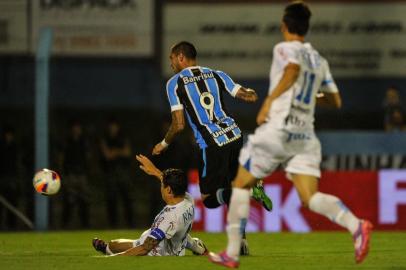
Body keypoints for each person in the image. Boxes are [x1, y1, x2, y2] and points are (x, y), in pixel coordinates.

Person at [209, 2, 372, 268]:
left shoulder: (283, 48)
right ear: (306, 28)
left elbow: (292, 70)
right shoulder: (319, 60)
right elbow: (335, 100)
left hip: (278, 130)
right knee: (310, 198)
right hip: (305, 136)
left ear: (284, 26)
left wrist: (269, 101)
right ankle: (356, 225)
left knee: (240, 184)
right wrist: (306, 100)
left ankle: (232, 252)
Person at [152, 41, 273, 254]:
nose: (171, 63)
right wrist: (253, 93)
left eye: (171, 58)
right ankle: (241, 243)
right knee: (234, 191)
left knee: (210, 199)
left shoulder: (174, 83)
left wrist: (163, 144)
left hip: (212, 143)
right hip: (235, 136)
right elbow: (246, 94)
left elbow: (178, 124)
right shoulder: (217, 74)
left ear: (181, 57)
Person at [92, 154, 207, 256]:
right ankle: (197, 245)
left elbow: (144, 249)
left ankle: (106, 250)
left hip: (158, 251)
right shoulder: (188, 200)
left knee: (122, 249)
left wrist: (111, 259)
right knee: (112, 245)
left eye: (163, 186)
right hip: (173, 238)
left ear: (169, 190)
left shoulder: (169, 217)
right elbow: (172, 184)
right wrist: (155, 171)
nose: (160, 188)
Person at [100, 117, 134, 227]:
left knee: (127, 199)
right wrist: (119, 152)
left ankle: (130, 224)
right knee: (111, 200)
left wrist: (114, 152)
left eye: (114, 126)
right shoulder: (105, 139)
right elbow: (107, 155)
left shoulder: (123, 138)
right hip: (110, 174)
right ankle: (112, 224)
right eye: (111, 126)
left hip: (123, 173)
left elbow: (127, 152)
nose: (113, 128)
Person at [58, 120, 90, 228]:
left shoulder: (84, 142)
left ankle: (85, 225)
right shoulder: (67, 142)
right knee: (69, 200)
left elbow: (88, 158)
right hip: (70, 175)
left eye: (78, 127)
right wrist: (63, 174)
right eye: (74, 127)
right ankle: (64, 224)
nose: (76, 130)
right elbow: (61, 158)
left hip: (81, 175)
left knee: (84, 200)